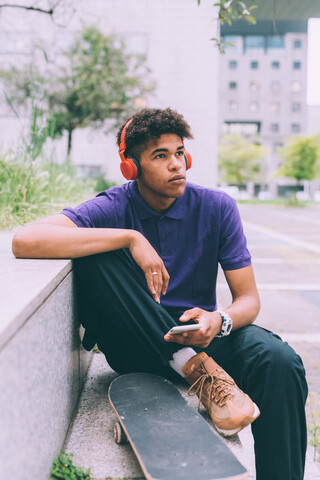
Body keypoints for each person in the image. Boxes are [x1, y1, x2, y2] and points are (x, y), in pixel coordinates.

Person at [12, 107, 308, 480]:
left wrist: (219, 321)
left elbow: (248, 300)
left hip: (204, 341)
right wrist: (130, 238)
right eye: (160, 156)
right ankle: (192, 366)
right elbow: (25, 241)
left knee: (281, 361)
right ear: (131, 168)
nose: (176, 165)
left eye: (179, 153)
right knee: (94, 255)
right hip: (135, 345)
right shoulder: (114, 206)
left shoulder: (218, 208)